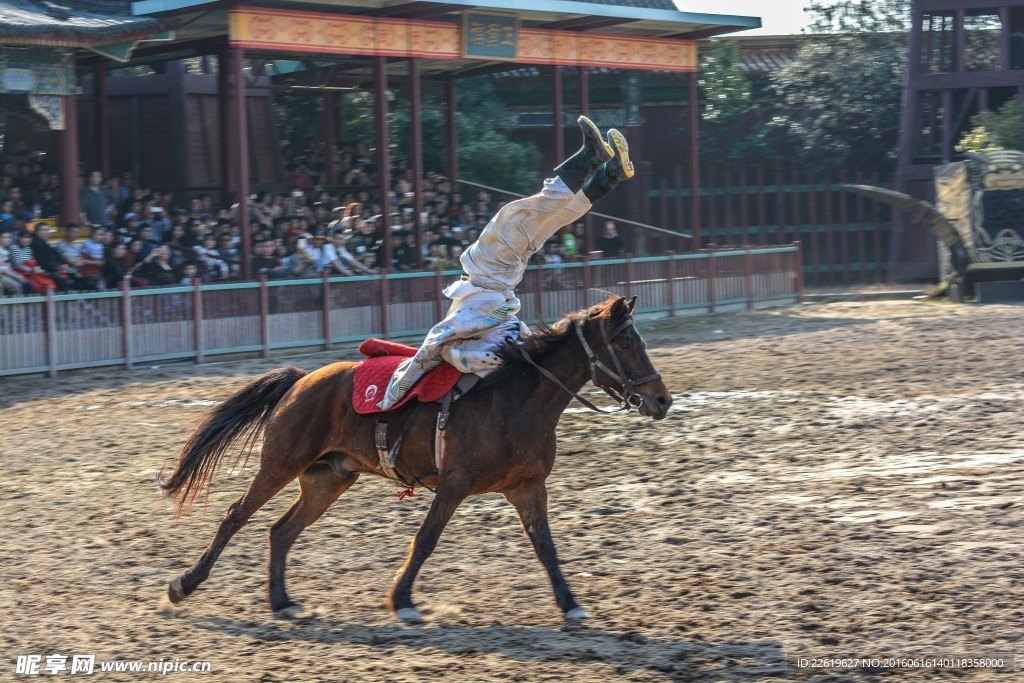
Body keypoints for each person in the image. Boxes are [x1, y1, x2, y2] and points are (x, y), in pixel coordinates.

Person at [376, 115, 634, 410]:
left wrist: (396, 393)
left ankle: (609, 175)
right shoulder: (472, 332)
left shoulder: (495, 335)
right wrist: (394, 394)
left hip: (504, 279)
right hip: (491, 273)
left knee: (550, 219)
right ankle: (591, 157)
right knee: (522, 213)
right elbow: (424, 355)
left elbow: (429, 354)